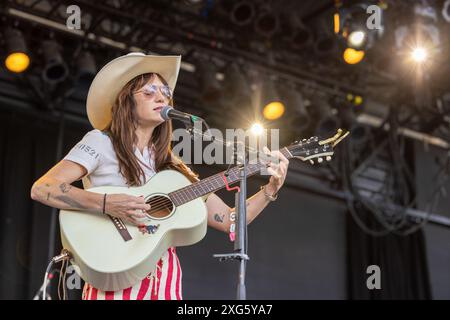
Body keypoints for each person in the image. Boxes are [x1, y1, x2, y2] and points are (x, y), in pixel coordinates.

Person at [30, 53, 289, 300]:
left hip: (165, 282)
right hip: (116, 278)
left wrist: (270, 190)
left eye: (165, 92)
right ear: (126, 100)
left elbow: (231, 221)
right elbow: (43, 188)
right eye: (149, 91)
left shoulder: (173, 166)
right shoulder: (101, 142)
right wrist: (107, 203)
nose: (161, 97)